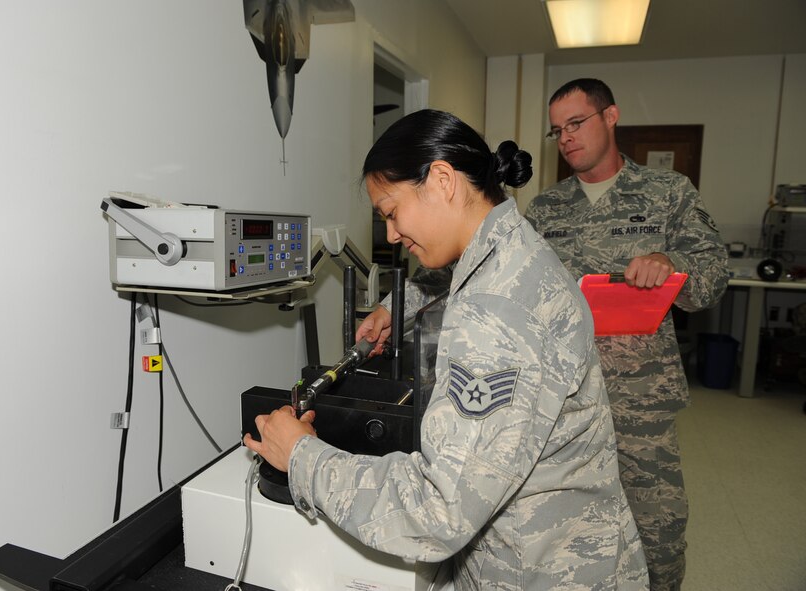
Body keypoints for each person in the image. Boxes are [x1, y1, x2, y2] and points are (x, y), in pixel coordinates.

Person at [244, 109, 648, 590]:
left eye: (392, 212)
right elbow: (451, 274)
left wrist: (301, 456)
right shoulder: (511, 246)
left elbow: (439, 511)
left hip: (542, 570)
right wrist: (398, 306)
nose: (391, 234)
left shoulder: (493, 314)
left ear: (441, 180)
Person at [524, 78, 729, 591]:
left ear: (610, 117)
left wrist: (670, 262)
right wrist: (405, 303)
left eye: (576, 123)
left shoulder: (667, 193)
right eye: (557, 131)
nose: (566, 138)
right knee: (561, 527)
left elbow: (712, 276)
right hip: (562, 397)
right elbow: (503, 278)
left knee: (657, 524)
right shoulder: (545, 211)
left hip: (640, 394)